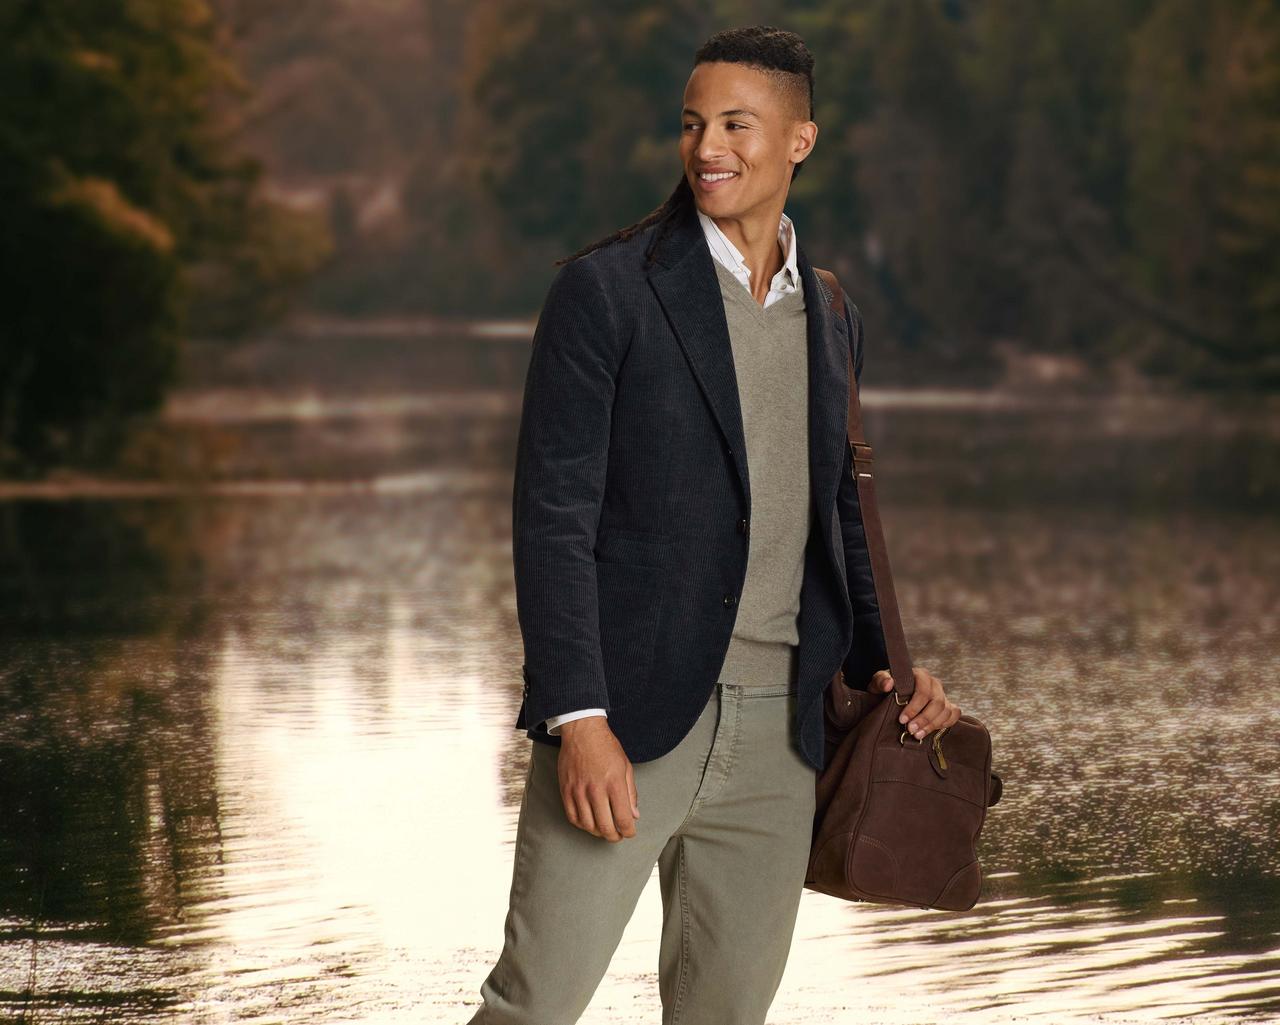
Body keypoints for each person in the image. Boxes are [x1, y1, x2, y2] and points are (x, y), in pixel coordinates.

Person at [466, 24, 961, 1025]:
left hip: (779, 737)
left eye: (736, 123)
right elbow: (552, 520)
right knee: (532, 1005)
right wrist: (577, 717)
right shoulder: (602, 293)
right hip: (626, 724)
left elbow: (836, 511)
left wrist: (888, 663)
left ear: (797, 141)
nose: (706, 147)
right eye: (692, 124)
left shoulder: (826, 311)